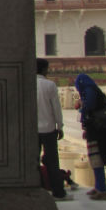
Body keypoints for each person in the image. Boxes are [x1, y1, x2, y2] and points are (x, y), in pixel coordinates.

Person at [74, 73, 106, 200]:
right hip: (95, 129)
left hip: (98, 131)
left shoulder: (89, 91)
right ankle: (98, 186)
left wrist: (81, 106)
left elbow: (89, 108)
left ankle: (102, 189)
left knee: (97, 158)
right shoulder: (91, 91)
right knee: (94, 159)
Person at [36, 59, 67, 200]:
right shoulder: (49, 85)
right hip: (48, 129)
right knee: (52, 161)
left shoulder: (27, 84)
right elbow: (56, 108)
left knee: (33, 161)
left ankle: (37, 189)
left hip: (32, 130)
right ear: (43, 70)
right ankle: (58, 191)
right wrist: (59, 126)